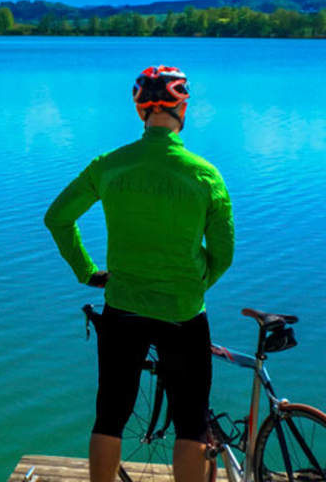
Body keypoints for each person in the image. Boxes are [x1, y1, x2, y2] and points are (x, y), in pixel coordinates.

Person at [43, 65, 234, 482]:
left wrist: (86, 271)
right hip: (184, 312)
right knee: (191, 422)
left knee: (110, 416)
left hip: (122, 307)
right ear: (183, 108)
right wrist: (194, 283)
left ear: (140, 110)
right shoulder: (205, 174)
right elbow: (223, 254)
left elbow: (57, 218)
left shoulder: (109, 166)